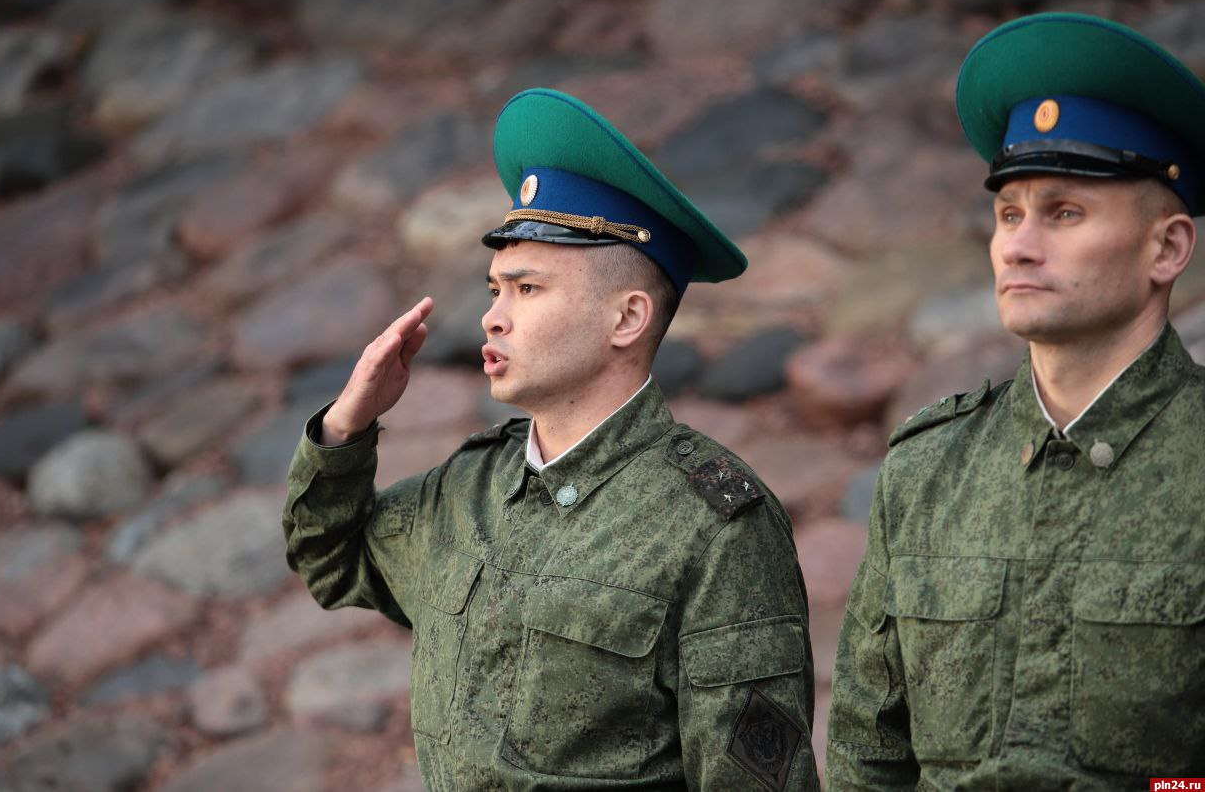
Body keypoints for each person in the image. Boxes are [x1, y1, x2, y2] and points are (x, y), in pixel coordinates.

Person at [283, 88, 820, 790]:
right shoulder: (468, 486)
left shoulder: (715, 528)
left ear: (627, 317)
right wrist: (345, 427)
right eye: (493, 289)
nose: (492, 318)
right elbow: (330, 556)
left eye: (527, 289)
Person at [826, 12, 1205, 789]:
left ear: (1166, 248)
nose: (1018, 244)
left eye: (1064, 212)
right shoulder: (928, 469)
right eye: (1008, 213)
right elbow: (869, 753)